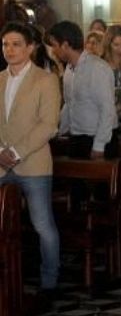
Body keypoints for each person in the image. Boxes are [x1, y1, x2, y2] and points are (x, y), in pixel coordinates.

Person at [0, 22, 61, 296]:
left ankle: (49, 281)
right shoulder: (0, 79)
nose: (9, 50)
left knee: (42, 225)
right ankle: (8, 278)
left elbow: (48, 125)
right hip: (0, 163)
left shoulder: (45, 80)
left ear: (30, 47)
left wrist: (15, 152)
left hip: (33, 163)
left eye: (15, 44)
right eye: (5, 44)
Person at [48, 20, 118, 159]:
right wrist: (57, 131)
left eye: (55, 45)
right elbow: (69, 104)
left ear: (66, 45)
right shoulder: (69, 68)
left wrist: (99, 146)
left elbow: (107, 110)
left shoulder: (98, 68)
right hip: (77, 136)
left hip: (98, 138)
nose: (52, 50)